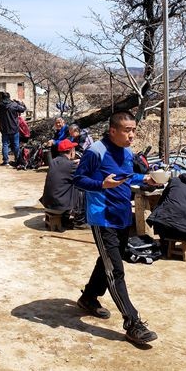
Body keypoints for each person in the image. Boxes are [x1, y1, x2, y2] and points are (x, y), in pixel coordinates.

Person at [73, 110, 158, 345]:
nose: (132, 135)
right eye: (127, 130)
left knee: (108, 261)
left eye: (134, 130)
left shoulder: (127, 152)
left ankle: (89, 297)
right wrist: (101, 184)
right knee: (116, 270)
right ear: (113, 131)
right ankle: (133, 323)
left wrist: (145, 180)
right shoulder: (95, 151)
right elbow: (78, 180)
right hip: (103, 218)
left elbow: (126, 178)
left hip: (122, 216)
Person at [40, 139, 86, 228]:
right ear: (72, 151)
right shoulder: (71, 166)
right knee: (81, 189)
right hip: (58, 206)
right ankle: (79, 222)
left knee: (65, 185)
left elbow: (64, 168)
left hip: (47, 203)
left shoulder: (53, 162)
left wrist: (73, 163)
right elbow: (84, 175)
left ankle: (65, 218)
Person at [0, 91, 26, 166]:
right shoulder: (14, 105)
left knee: (5, 144)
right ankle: (17, 159)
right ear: (9, 97)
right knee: (16, 145)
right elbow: (23, 109)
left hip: (4, 129)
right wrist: (20, 103)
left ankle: (6, 161)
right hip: (14, 128)